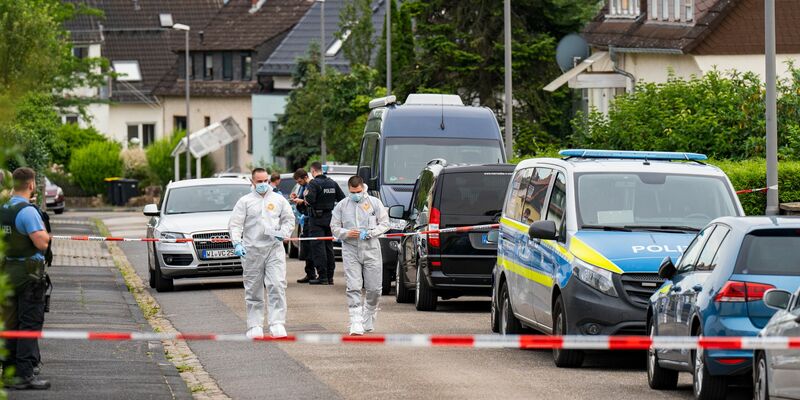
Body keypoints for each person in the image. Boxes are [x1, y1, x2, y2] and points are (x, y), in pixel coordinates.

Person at [229, 168, 295, 338]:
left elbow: (289, 219)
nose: (263, 184)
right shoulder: (245, 201)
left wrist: (284, 233)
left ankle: (277, 323)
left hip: (274, 249)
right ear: (252, 182)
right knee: (253, 289)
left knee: (277, 285)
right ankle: (255, 325)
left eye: (265, 181)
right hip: (252, 250)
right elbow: (235, 224)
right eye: (259, 181)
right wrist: (237, 243)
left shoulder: (278, 200)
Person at [0, 168, 51, 390]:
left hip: (7, 270)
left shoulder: (4, 209)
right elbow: (42, 243)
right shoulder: (28, 212)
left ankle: (8, 371)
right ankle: (24, 374)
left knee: (10, 322)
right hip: (28, 273)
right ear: (31, 185)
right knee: (29, 322)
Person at [331, 176, 390, 335]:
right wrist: (346, 233)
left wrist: (372, 233)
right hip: (351, 249)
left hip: (371, 249)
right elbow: (334, 227)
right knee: (354, 286)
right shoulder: (343, 205)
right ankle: (355, 321)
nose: (356, 194)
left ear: (363, 188)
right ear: (349, 190)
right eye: (352, 192)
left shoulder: (374, 202)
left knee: (374, 288)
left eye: (358, 191)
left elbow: (385, 223)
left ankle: (369, 313)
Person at [303, 162, 345, 285]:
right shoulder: (332, 182)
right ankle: (330, 277)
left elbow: (310, 200)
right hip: (329, 218)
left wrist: (305, 197)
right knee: (328, 247)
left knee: (318, 248)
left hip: (316, 219)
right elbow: (342, 199)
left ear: (313, 171)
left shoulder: (313, 183)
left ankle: (322, 277)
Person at [290, 168, 315, 283]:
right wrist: (295, 197)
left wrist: (301, 201)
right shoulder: (302, 187)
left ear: (305, 177)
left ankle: (313, 274)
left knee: (311, 249)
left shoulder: (311, 186)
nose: (299, 184)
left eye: (299, 181)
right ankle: (309, 273)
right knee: (306, 249)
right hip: (304, 220)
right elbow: (302, 198)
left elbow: (311, 202)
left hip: (311, 220)